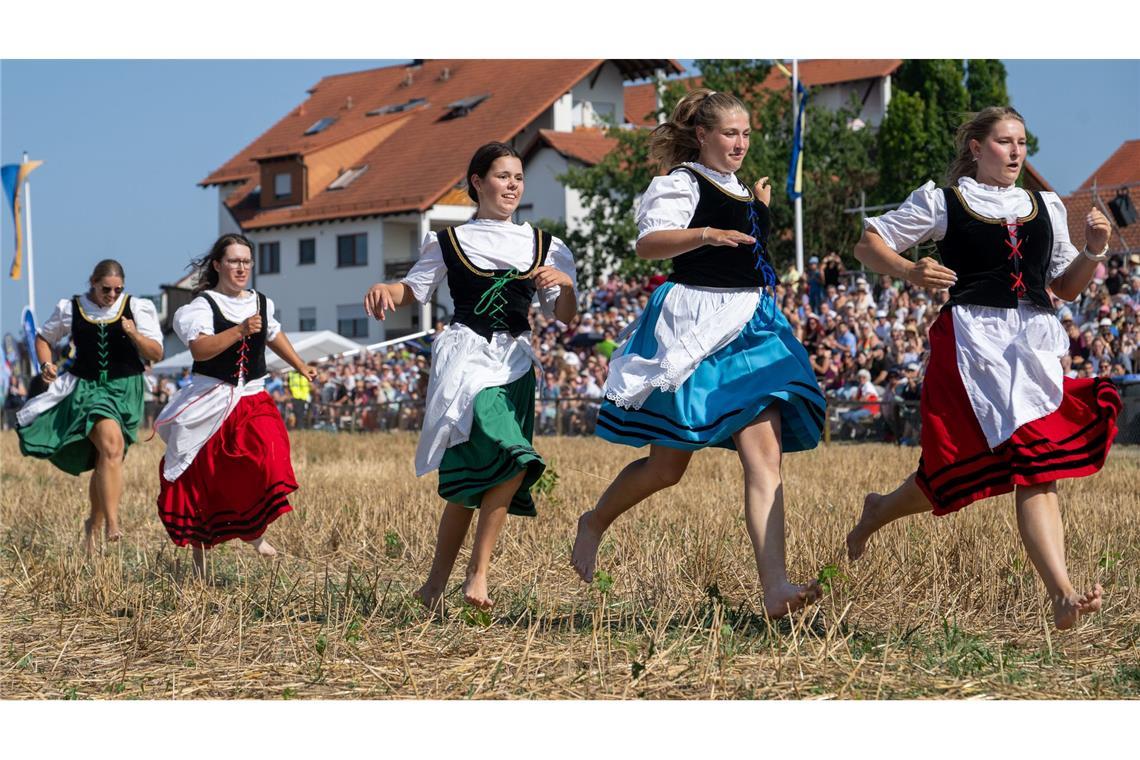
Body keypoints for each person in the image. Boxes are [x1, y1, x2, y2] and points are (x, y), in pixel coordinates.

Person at [844, 107, 1121, 630]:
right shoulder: (944, 202)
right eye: (1004, 141)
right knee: (956, 468)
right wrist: (910, 268)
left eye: (1022, 142)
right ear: (976, 147)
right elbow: (868, 243)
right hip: (970, 345)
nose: (1016, 152)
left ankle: (1061, 594)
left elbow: (1062, 288)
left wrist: (1093, 250)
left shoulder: (1046, 205)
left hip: (1031, 347)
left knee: (1036, 464)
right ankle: (878, 511)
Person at [572, 89, 827, 618]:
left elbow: (745, 251)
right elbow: (648, 244)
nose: (740, 143)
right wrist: (705, 232)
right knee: (668, 468)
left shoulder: (738, 187)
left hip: (752, 324)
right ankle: (594, 521)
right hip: (697, 324)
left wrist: (756, 208)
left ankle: (775, 586)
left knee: (765, 460)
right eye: (730, 133)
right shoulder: (681, 183)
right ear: (702, 136)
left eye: (747, 134)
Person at [364, 141, 577, 613]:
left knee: (475, 480)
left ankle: (436, 585)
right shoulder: (448, 241)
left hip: (517, 362)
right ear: (477, 182)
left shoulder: (546, 245)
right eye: (503, 176)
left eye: (518, 178)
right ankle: (475, 576)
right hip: (466, 360)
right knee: (514, 455)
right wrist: (386, 287)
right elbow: (411, 290)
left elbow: (564, 316)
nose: (513, 185)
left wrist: (563, 287)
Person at [154, 233, 317, 577]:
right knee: (202, 478)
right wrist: (239, 330)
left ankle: (253, 530)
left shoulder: (261, 302)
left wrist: (301, 365)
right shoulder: (201, 306)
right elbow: (200, 350)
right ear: (218, 265)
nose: (241, 267)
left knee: (270, 456)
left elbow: (273, 335)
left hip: (252, 396)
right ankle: (199, 564)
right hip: (210, 398)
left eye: (246, 261)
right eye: (233, 261)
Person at [16, 259, 164, 553]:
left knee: (107, 459)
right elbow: (44, 338)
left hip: (126, 390)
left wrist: (134, 334)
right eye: (106, 289)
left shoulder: (137, 308)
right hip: (87, 389)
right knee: (111, 446)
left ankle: (92, 529)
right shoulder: (71, 308)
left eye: (117, 289)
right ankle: (113, 523)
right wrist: (46, 363)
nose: (111, 295)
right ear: (93, 283)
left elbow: (156, 353)